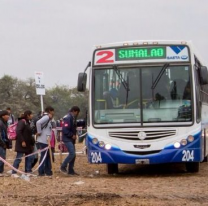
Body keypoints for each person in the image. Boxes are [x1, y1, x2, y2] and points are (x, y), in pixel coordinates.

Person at [11, 110, 35, 178]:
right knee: (19, 158)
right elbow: (18, 131)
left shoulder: (28, 123)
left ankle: (28, 171)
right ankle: (14, 172)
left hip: (28, 144)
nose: (32, 116)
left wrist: (31, 144)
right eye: (31, 114)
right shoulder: (22, 122)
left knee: (29, 158)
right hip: (22, 144)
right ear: (28, 115)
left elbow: (29, 134)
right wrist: (22, 141)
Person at [60, 106, 80, 176]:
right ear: (74, 111)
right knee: (72, 153)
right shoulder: (68, 118)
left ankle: (71, 170)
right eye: (77, 112)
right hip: (67, 139)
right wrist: (71, 135)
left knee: (73, 155)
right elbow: (65, 129)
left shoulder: (72, 118)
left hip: (71, 139)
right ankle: (63, 166)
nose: (77, 114)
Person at [36, 106, 55, 176]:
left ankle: (47, 171)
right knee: (44, 156)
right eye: (53, 111)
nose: (53, 113)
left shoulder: (48, 118)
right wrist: (39, 131)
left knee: (47, 156)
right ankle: (41, 171)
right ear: (50, 111)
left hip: (46, 140)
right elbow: (38, 123)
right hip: (44, 140)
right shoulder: (46, 117)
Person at [0, 110, 10, 177]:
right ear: (3, 116)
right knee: (2, 157)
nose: (8, 116)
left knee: (3, 157)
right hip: (1, 143)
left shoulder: (5, 123)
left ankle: (1, 171)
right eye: (7, 115)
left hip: (4, 142)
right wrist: (2, 143)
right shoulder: (0, 123)